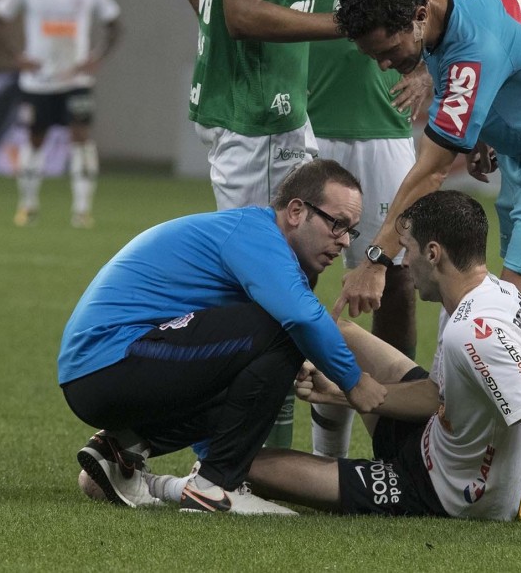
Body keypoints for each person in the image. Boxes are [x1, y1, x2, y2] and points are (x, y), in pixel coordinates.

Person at [142, 191, 521, 531]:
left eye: (410, 250)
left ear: (434, 253)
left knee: (247, 467)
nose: (404, 262)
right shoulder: (488, 294)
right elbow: (437, 397)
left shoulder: (474, 332)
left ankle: (166, 484)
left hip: (446, 492)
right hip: (439, 438)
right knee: (332, 332)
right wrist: (344, 393)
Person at [331, 0, 521, 487]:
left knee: (509, 313)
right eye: (373, 54)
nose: (385, 65)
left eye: (389, 51)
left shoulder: (471, 49)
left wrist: (377, 260)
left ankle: (511, 469)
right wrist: (477, 121)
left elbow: (432, 171)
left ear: (419, 17)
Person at [60, 159, 387, 515]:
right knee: (285, 330)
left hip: (102, 371)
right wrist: (354, 381)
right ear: (296, 211)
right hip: (108, 362)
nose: (342, 241)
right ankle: (217, 485)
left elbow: (231, 370)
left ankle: (122, 450)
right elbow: (301, 318)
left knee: (276, 353)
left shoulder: (270, 248)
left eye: (350, 231)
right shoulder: (258, 234)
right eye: (336, 223)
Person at [183, 0, 341, 448]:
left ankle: (247, 452)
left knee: (261, 285)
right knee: (264, 291)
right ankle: (235, 462)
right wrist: (344, 25)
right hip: (259, 119)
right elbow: (243, 12)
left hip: (265, 110)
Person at [304, 0, 454, 461]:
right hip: (298, 122)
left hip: (383, 126)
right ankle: (323, 455)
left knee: (396, 279)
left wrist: (431, 72)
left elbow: (443, 5)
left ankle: (395, 441)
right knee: (284, 281)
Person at [0, 0, 121, 228]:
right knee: (35, 139)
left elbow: (114, 24)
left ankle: (82, 210)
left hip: (76, 81)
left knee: (81, 138)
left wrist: (97, 57)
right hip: (39, 82)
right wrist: (16, 56)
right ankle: (27, 205)